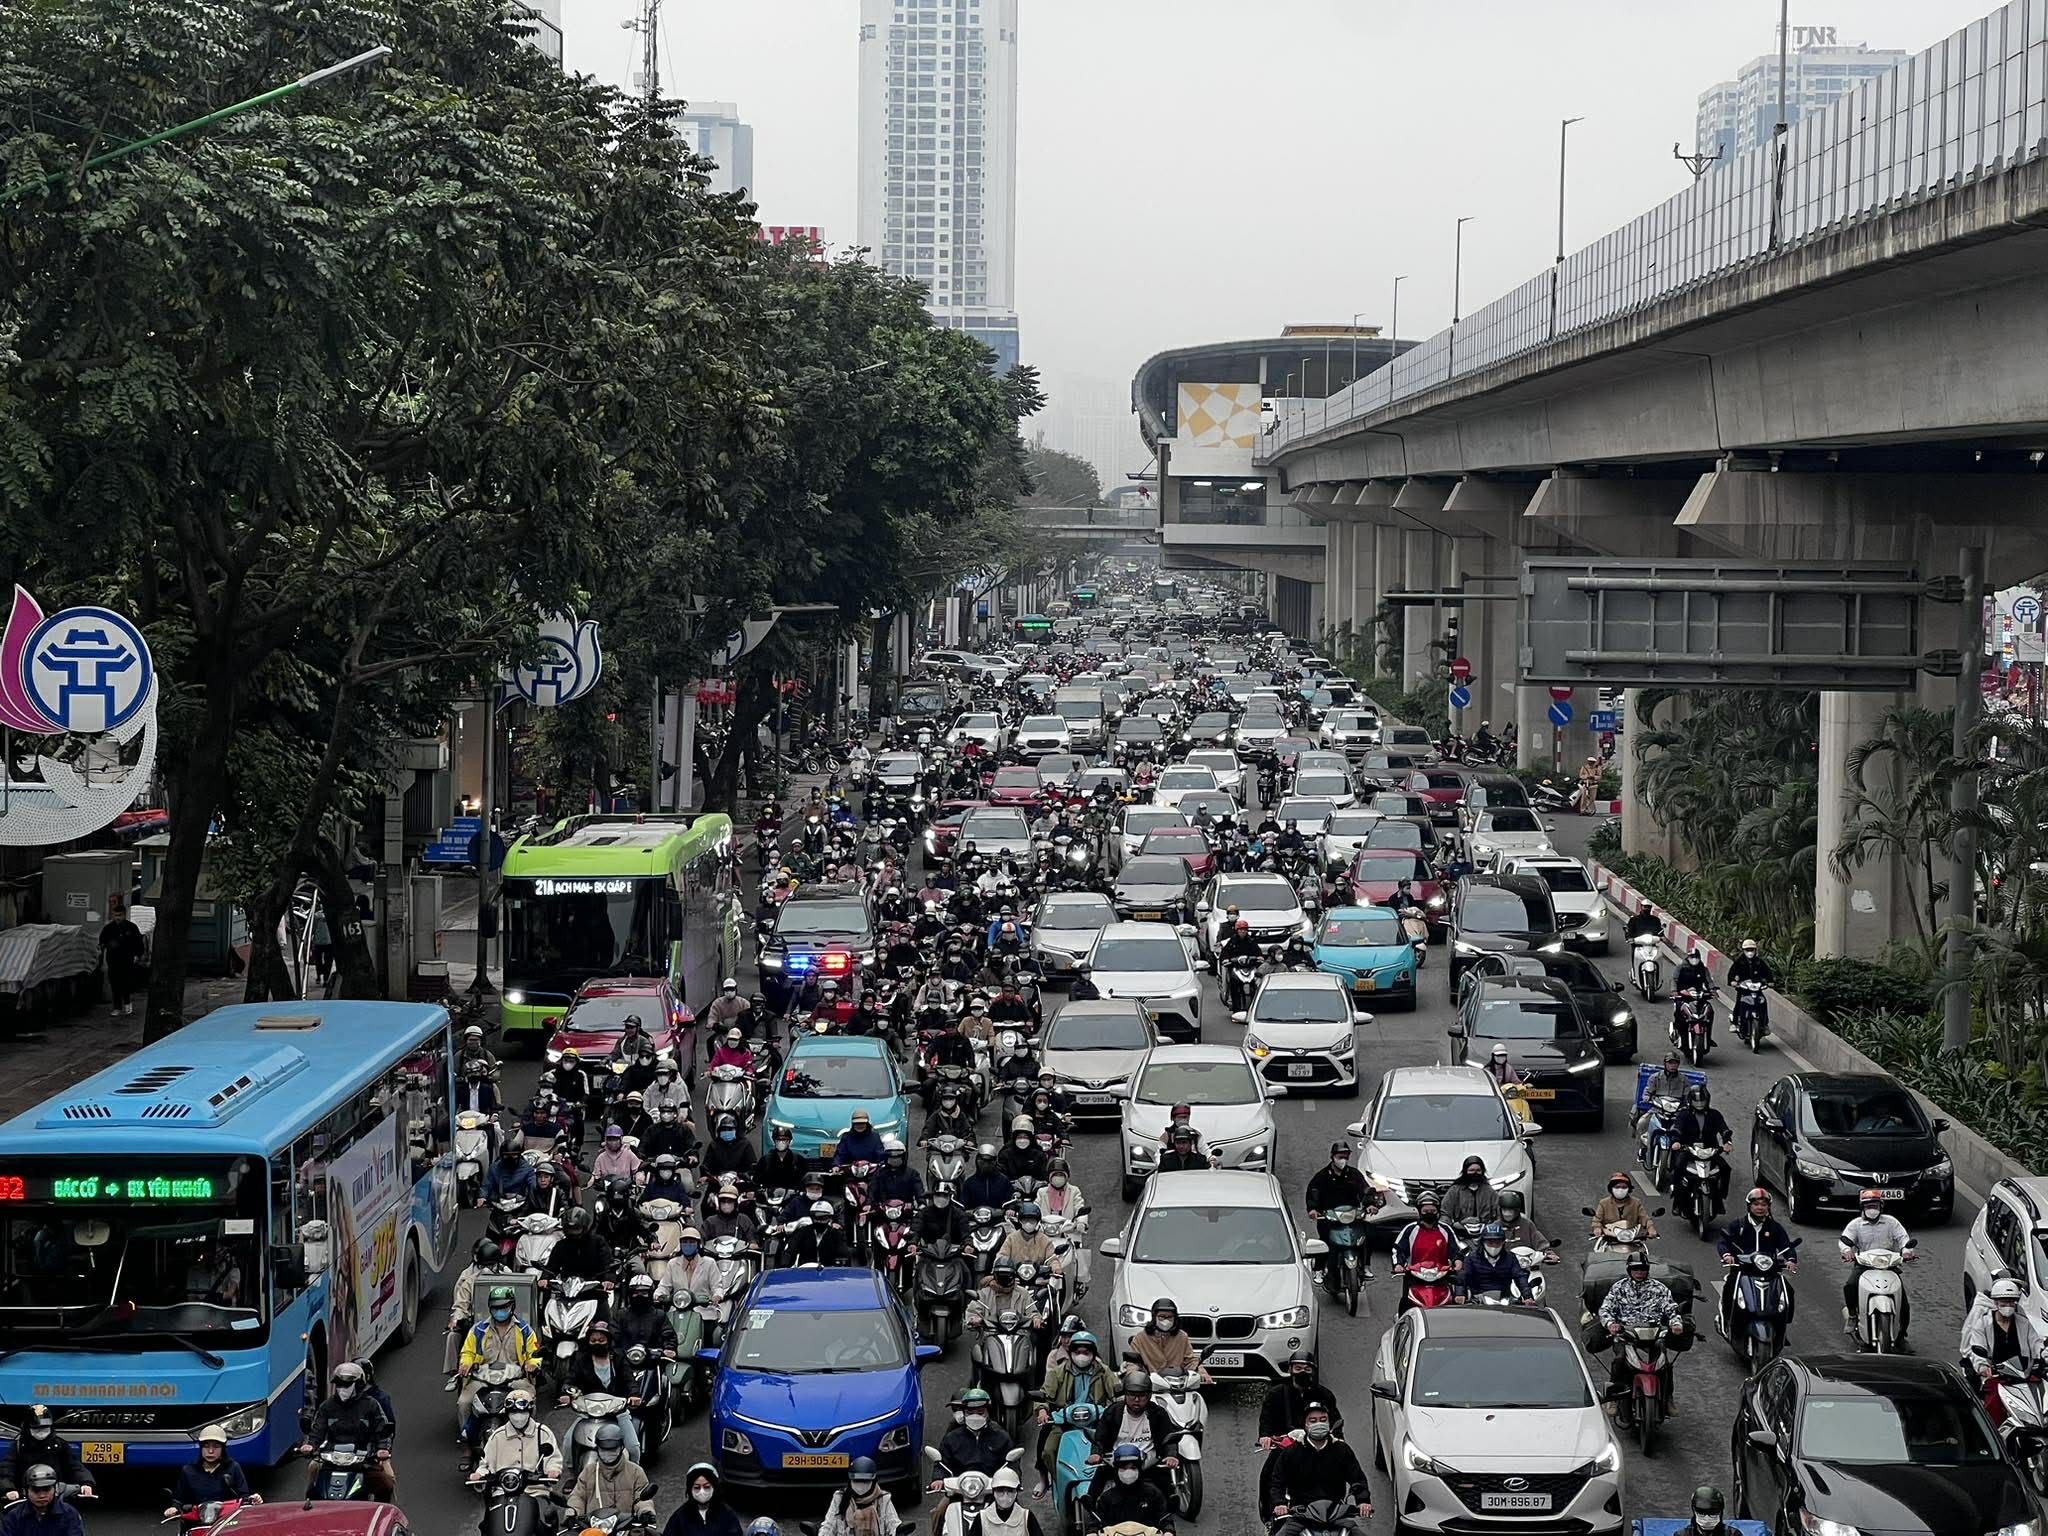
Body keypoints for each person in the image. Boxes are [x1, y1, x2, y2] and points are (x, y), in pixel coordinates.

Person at [1596, 1248, 1685, 1425]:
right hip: (1626, 1336)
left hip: (1654, 1335)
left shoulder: (1659, 1288)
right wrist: (1611, 1324)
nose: (1639, 1272)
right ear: (1629, 1270)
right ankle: (1615, 1398)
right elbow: (1605, 1309)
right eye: (1635, 1269)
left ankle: (1668, 1398)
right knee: (1619, 1361)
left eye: (1642, 1269)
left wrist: (1676, 1324)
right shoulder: (1619, 1288)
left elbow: (1671, 1309)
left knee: (1666, 1365)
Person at [1268, 1401, 1370, 1536]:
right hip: (1301, 1516)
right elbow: (1277, 1482)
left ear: (1329, 1423)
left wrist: (1363, 1501)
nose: (1319, 1424)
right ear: (1305, 1424)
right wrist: (1279, 1504)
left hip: (1336, 1514)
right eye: (1313, 1421)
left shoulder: (1341, 1450)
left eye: (1323, 1420)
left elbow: (1357, 1478)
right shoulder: (1291, 1453)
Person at [300, 1361, 396, 1501]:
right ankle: (309, 1507)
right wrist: (310, 1445)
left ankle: (380, 1513)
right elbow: (317, 1429)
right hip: (332, 1460)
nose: (342, 1388)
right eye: (339, 1385)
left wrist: (382, 1449)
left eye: (346, 1385)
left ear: (358, 1384)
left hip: (364, 1460)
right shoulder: (327, 1407)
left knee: (386, 1485)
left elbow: (382, 1429)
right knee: (313, 1482)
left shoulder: (371, 1405)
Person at [1034, 1329, 1112, 1495]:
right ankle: (1058, 1482)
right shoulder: (1057, 1372)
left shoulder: (1104, 1372)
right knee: (1048, 1451)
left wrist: (1116, 1409)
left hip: (1097, 1422)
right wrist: (1042, 1411)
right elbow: (1044, 1395)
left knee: (1115, 1449)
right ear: (1070, 1353)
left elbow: (1117, 1393)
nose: (1081, 1356)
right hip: (1065, 1421)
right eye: (1077, 1352)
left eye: (1086, 1352)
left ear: (1093, 1353)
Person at [560, 1320, 643, 1463]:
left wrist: (634, 1395)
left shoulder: (618, 1358)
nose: (597, 1343)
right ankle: (573, 1473)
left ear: (608, 1341)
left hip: (617, 1412)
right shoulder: (581, 1360)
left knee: (633, 1448)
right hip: (589, 1413)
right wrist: (567, 1394)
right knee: (568, 1442)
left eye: (601, 1340)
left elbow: (629, 1380)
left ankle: (633, 1474)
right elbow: (570, 1380)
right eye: (593, 1340)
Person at [1838, 1190, 1913, 1341]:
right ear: (1863, 1208)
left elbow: (1903, 1239)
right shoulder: (1856, 1225)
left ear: (1881, 1207)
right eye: (1868, 1206)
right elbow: (1844, 1241)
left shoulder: (1891, 1223)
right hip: (1864, 1265)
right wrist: (1847, 1251)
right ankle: (1852, 1315)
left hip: (1888, 1265)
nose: (1872, 1209)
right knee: (1850, 1285)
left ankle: (1901, 1333)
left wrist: (1906, 1251)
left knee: (1903, 1304)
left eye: (1875, 1206)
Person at [1966, 1277, 2041, 1422]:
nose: (2008, 1305)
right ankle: (1992, 1431)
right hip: (1996, 1376)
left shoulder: (2024, 1323)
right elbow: (1976, 1349)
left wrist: (2043, 1354)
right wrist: (1982, 1366)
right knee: (1992, 1404)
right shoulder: (1983, 1323)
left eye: (2011, 1301)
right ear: (1995, 1302)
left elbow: (2036, 1344)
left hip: (2022, 1375)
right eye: (2004, 1301)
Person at [1305, 1141, 1380, 1280]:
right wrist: (1313, 1209)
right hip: (1330, 1218)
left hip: (1352, 1216)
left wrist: (1370, 1204)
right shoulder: (1322, 1177)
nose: (1343, 1160)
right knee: (1324, 1241)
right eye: (1340, 1156)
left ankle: (1365, 1266)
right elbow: (1313, 1193)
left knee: (1368, 1235)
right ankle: (1319, 1269)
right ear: (1333, 1157)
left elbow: (1365, 1189)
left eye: (1346, 1156)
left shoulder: (1354, 1175)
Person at [468, 1387, 562, 1486]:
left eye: (523, 1412)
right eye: (513, 1412)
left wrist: (553, 1470)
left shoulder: (543, 1433)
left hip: (535, 1489)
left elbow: (553, 1459)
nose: (518, 1417)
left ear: (530, 1412)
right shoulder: (497, 1435)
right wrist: (479, 1474)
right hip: (503, 1489)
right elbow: (486, 1463)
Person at [566, 1423, 654, 1522]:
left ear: (621, 1447)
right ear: (597, 1448)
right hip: (594, 1527)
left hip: (625, 1526)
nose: (608, 1454)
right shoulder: (589, 1472)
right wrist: (573, 1511)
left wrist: (645, 1511)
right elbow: (578, 1497)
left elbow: (642, 1499)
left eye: (613, 1450)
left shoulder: (635, 1472)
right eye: (603, 1450)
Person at [165, 1425, 259, 1517]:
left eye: (216, 1447)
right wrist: (174, 1508)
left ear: (223, 1448)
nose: (210, 1451)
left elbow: (243, 1497)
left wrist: (253, 1499)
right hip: (196, 1520)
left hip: (225, 1519)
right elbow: (179, 1500)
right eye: (206, 1446)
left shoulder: (233, 1468)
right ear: (201, 1448)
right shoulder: (188, 1470)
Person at [1257, 1352, 1344, 1451]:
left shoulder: (1324, 1394)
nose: (1303, 1372)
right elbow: (1266, 1418)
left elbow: (1335, 1420)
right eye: (1298, 1368)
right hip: (1284, 1447)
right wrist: (1265, 1436)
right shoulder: (1276, 1394)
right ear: (1290, 1369)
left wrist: (1338, 1438)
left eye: (1307, 1369)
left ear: (1313, 1371)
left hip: (1317, 1445)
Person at [2, 1410, 94, 1503]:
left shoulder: (60, 1445)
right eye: (36, 1429)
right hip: (27, 1496)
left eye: (45, 1429)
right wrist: (9, 1489)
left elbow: (74, 1466)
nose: (41, 1432)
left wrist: (86, 1483)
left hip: (55, 1495)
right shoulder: (18, 1446)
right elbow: (7, 1468)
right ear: (27, 1428)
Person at [933, 1386, 1015, 1488]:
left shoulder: (1001, 1437)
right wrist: (938, 1478)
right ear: (964, 1414)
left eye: (980, 1413)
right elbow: (943, 1464)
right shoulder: (951, 1438)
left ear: (988, 1413)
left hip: (993, 1489)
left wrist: (1010, 1480)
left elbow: (1011, 1464)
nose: (975, 1417)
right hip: (960, 1489)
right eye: (970, 1413)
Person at [1085, 1444, 1172, 1534]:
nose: (1128, 1471)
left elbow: (1165, 1519)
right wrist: (1092, 1532)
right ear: (1116, 1470)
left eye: (1133, 1468)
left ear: (1139, 1469)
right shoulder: (1106, 1498)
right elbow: (1096, 1521)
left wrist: (1168, 1531)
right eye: (1123, 1468)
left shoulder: (1153, 1494)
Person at [1125, 1297, 1207, 1378]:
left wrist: (1202, 1373)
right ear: (1154, 1317)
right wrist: (1132, 1376)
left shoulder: (1182, 1337)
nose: (1166, 1321)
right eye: (1162, 1317)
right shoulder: (1140, 1338)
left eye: (1169, 1317)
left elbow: (1191, 1361)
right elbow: (1133, 1363)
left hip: (1177, 1382)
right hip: (1150, 1383)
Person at [819, 1457, 903, 1536]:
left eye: (865, 1482)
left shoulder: (883, 1499)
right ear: (850, 1481)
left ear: (873, 1481)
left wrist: (899, 1531)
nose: (860, 1486)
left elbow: (894, 1525)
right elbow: (828, 1526)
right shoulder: (840, 1498)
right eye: (856, 1481)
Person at [1458, 1222, 1535, 1302]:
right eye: (1490, 1242)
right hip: (1478, 1300)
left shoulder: (1510, 1258)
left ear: (1503, 1242)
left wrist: (1527, 1296)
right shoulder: (1471, 1258)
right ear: (1483, 1242)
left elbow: (1520, 1277)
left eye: (1497, 1242)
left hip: (1505, 1300)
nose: (1494, 1246)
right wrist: (1460, 1294)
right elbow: (1463, 1277)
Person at [663, 1462, 744, 1536]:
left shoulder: (727, 1514)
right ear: (690, 1490)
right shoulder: (680, 1517)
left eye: (707, 1487)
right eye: (697, 1488)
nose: (702, 1492)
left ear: (714, 1488)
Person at [98, 897, 147, 1017]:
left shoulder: (131, 927)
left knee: (126, 982)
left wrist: (138, 955)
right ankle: (117, 1007)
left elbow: (138, 942)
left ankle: (127, 1002)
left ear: (124, 915)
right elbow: (102, 942)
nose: (117, 918)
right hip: (113, 959)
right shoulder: (108, 928)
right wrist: (103, 952)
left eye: (119, 915)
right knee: (115, 983)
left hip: (127, 959)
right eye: (115, 915)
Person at [0, 1467, 84, 1536]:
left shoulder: (69, 1514)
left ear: (55, 1489)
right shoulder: (13, 1517)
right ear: (26, 1491)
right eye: (36, 1490)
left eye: (47, 1489)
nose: (42, 1495)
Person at [543, 1204, 615, 1283]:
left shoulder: (598, 1242)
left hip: (593, 1286)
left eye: (576, 1229)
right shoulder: (561, 1245)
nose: (573, 1233)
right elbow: (551, 1267)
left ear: (585, 1227)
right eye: (570, 1229)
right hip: (567, 1286)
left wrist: (608, 1280)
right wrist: (545, 1278)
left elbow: (607, 1265)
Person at [616, 1271, 679, 1356]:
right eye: (635, 1293)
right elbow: (614, 1336)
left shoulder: (659, 1315)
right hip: (625, 1358)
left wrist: (669, 1348)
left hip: (652, 1358)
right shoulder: (621, 1315)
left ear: (650, 1294)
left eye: (644, 1293)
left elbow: (668, 1335)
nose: (639, 1296)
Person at [1591, 1171, 1658, 1242]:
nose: (1620, 1190)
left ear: (1629, 1189)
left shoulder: (1636, 1203)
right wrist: (1597, 1228)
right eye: (1617, 1187)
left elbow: (1644, 1218)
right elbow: (1597, 1220)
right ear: (1611, 1189)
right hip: (1610, 1237)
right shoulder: (1604, 1203)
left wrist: (1650, 1228)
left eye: (1624, 1187)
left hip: (1631, 1237)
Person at [1440, 1154, 1502, 1230]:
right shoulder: (1454, 1191)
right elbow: (1445, 1213)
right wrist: (1452, 1225)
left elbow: (1499, 1214)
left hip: (1485, 1231)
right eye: (1471, 1170)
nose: (1475, 1173)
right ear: (1465, 1171)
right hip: (1459, 1230)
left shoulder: (1490, 1192)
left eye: (1478, 1170)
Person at [700, 1114, 755, 1183]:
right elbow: (706, 1165)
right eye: (724, 1129)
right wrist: (706, 1175)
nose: (727, 1131)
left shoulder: (745, 1145)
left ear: (736, 1130)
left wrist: (743, 1175)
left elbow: (752, 1166)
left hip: (740, 1182)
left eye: (730, 1129)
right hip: (718, 1182)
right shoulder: (714, 1145)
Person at [998, 1117, 1050, 1185]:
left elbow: (1044, 1175)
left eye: (1025, 1137)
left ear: (1030, 1138)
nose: (1022, 1140)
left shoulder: (1039, 1155)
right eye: (1019, 1137)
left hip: (1035, 1188)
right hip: (1011, 1188)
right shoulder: (1005, 1154)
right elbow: (1001, 1174)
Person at [482, 1136, 534, 1203]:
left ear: (519, 1155)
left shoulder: (527, 1168)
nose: (510, 1159)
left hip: (519, 1201)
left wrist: (533, 1197)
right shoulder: (494, 1167)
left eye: (514, 1155)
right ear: (501, 1156)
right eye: (506, 1156)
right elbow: (487, 1185)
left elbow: (532, 1184)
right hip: (498, 1201)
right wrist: (482, 1196)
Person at [963, 1144, 1015, 1210]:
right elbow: (963, 1204)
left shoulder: (1004, 1181)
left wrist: (1010, 1209)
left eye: (989, 1161)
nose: (986, 1165)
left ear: (995, 1162)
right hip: (975, 1215)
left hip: (999, 1215)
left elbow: (1010, 1200)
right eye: (983, 1161)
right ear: (977, 1161)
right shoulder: (970, 1183)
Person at [757, 1125, 805, 1193]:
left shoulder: (799, 1160)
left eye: (784, 1139)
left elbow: (804, 1183)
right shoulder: (765, 1160)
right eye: (778, 1139)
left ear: (789, 1141)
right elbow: (757, 1182)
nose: (781, 1142)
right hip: (770, 1196)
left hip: (792, 1196)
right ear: (774, 1141)